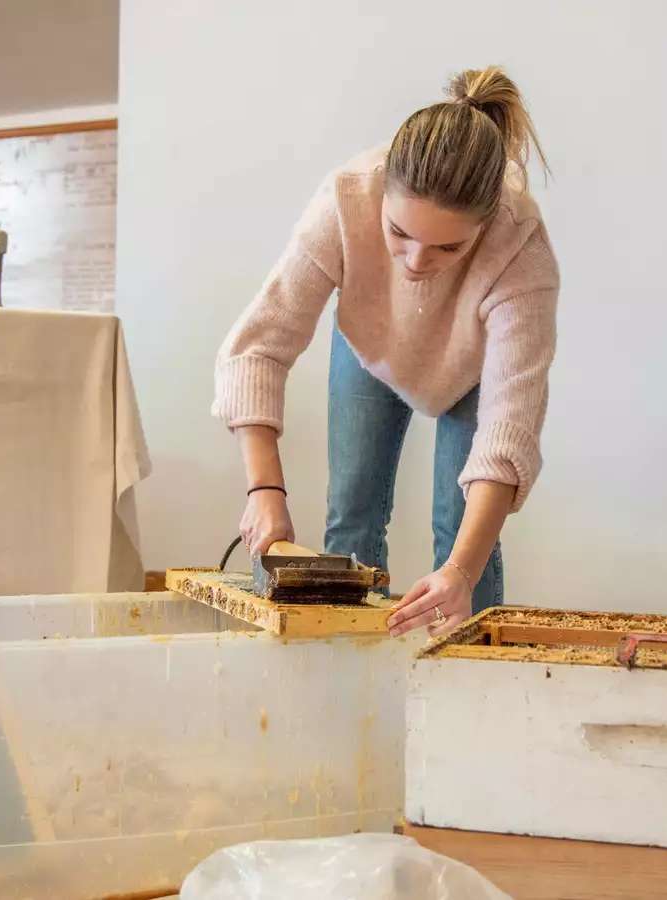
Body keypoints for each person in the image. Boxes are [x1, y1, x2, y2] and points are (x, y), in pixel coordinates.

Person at [213, 66, 559, 638]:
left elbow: (508, 434)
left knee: (461, 535)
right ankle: (347, 681)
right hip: (369, 344)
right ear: (383, 195)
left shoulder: (521, 248)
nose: (417, 263)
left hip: (471, 369)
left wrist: (459, 572)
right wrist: (264, 491)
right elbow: (256, 347)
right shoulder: (347, 196)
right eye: (399, 233)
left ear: (484, 226)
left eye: (448, 246)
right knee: (352, 513)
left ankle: (469, 681)